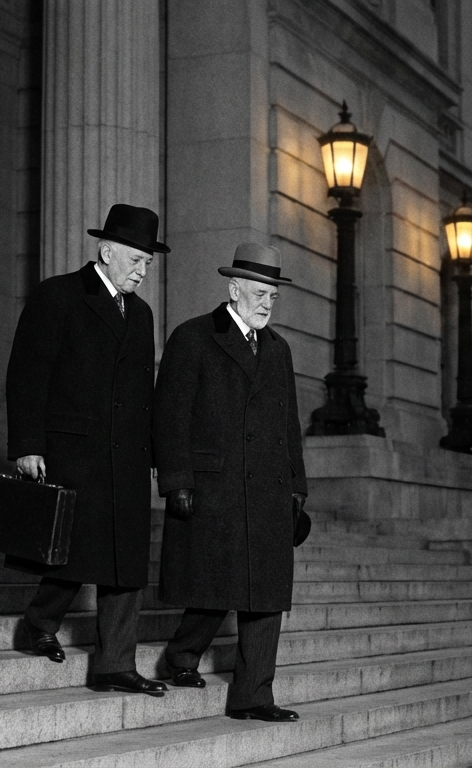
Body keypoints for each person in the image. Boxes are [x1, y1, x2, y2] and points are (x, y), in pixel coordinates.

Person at [5, 203, 168, 697]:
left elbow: (146, 393)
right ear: (107, 251)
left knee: (124, 559)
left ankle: (115, 663)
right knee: (75, 550)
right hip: (73, 448)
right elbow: (28, 373)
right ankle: (38, 622)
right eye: (136, 260)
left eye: (148, 263)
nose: (142, 271)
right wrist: (27, 444)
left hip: (127, 456)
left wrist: (156, 456)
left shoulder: (141, 314)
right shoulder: (58, 295)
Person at [153, 243, 308, 722]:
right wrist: (176, 479)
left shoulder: (278, 350)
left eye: (273, 296)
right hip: (213, 487)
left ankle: (253, 695)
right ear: (234, 288)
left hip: (267, 491)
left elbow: (290, 427)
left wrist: (297, 489)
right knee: (215, 585)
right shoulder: (194, 337)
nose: (266, 303)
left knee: (264, 595)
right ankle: (181, 656)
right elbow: (170, 414)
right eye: (259, 293)